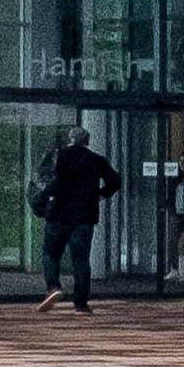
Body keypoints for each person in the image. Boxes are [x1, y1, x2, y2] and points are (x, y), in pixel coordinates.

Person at [36, 124, 119, 310]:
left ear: (70, 138)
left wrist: (43, 201)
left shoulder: (58, 155)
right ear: (87, 141)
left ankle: (53, 286)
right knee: (81, 259)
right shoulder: (96, 160)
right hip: (84, 216)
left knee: (50, 253)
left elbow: (44, 180)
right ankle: (81, 301)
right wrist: (100, 193)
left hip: (58, 213)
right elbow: (115, 181)